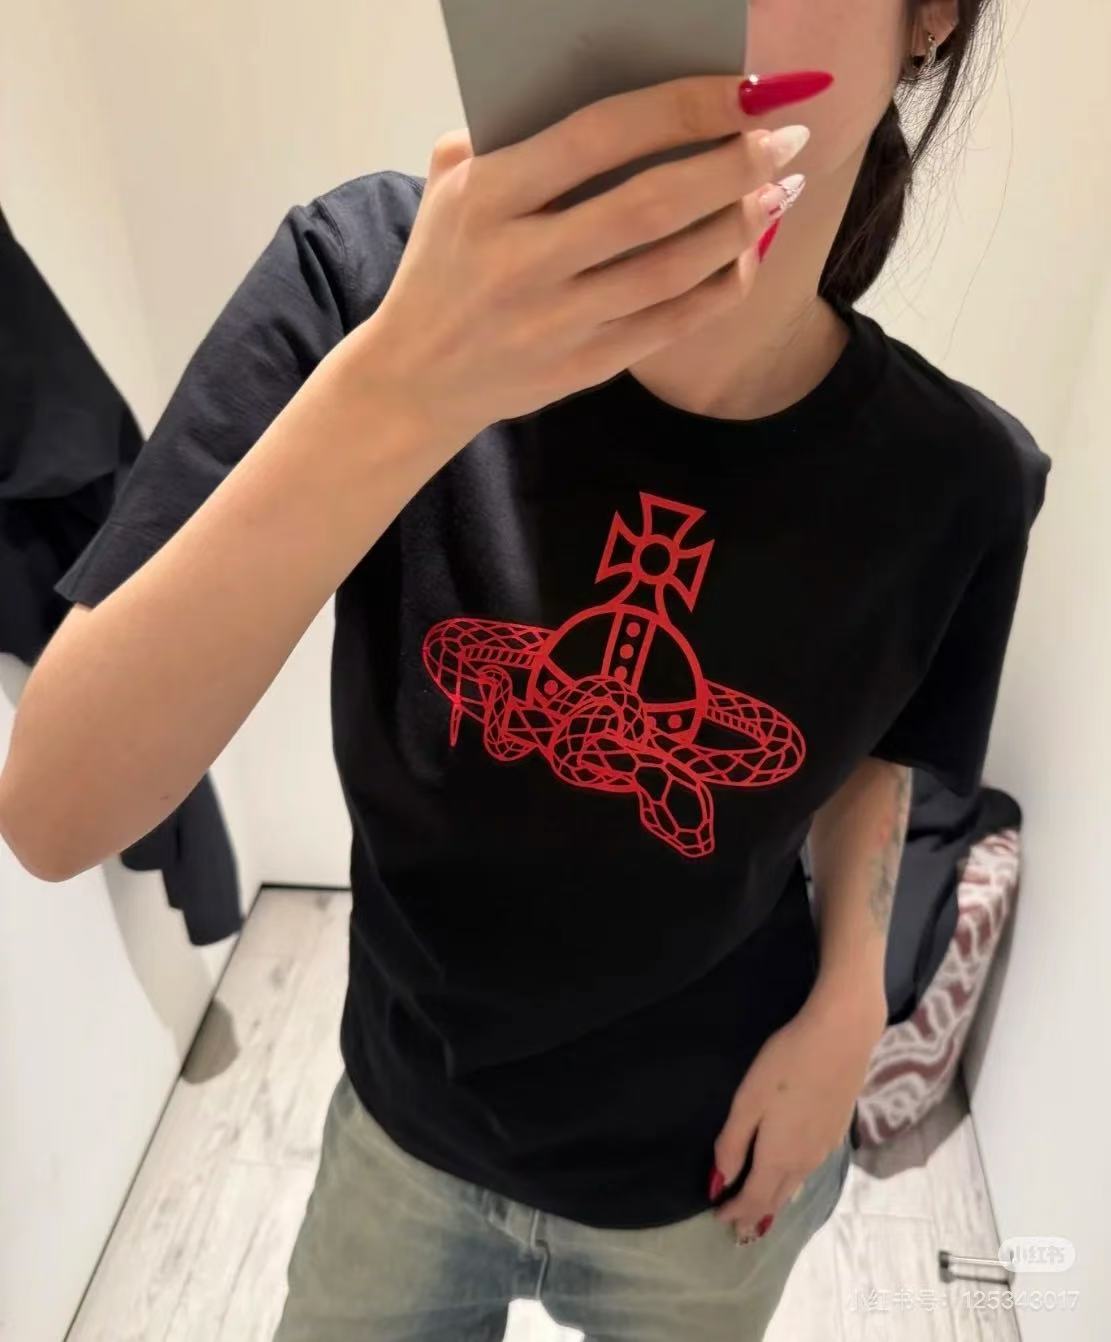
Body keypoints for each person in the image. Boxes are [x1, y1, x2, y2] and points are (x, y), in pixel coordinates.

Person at [0, 0, 1052, 1338]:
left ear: (931, 16)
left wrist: (851, 997)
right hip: (405, 1118)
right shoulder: (365, 289)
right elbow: (58, 808)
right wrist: (407, 387)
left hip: (708, 1172)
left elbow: (880, 741)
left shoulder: (960, 480)